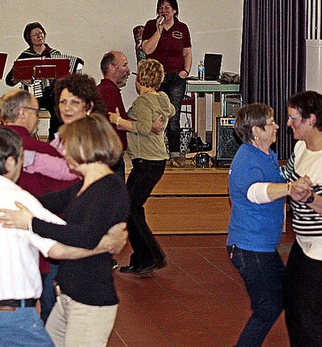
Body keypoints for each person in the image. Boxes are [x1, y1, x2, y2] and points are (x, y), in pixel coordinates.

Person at [0, 126, 127, 346]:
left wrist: (32, 220)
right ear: (10, 163)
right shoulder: (17, 200)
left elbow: (50, 206)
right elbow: (58, 249)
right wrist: (107, 244)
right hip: (8, 316)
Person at [0, 114, 130, 346]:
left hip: (90, 301)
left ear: (83, 145)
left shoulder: (109, 188)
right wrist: (3, 194)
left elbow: (87, 237)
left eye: (67, 146)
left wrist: (31, 223)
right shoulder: (84, 185)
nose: (64, 153)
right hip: (69, 296)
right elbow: (44, 202)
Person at [0, 90, 79, 323]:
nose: (38, 117)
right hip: (39, 249)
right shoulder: (43, 150)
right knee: (49, 313)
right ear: (23, 113)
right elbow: (71, 195)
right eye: (36, 111)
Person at [227, 103, 295, 346]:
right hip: (250, 248)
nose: (277, 126)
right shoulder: (246, 159)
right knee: (268, 307)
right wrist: (290, 189)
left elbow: (276, 179)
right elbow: (255, 192)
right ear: (256, 131)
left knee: (282, 297)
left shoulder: (265, 155)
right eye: (271, 123)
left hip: (261, 247)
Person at [281, 91, 322, 345]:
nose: (288, 123)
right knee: (294, 307)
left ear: (311, 120)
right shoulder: (301, 147)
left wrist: (308, 198)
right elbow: (285, 176)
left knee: (311, 314)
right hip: (304, 244)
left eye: (293, 118)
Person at [110, 58, 174, 275]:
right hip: (155, 161)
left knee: (129, 208)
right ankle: (143, 257)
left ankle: (151, 256)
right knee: (134, 208)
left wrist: (118, 120)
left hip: (146, 162)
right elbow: (171, 111)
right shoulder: (162, 98)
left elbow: (145, 127)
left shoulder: (143, 103)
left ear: (141, 80)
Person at [142, 0, 192, 167]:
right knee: (155, 115)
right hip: (155, 78)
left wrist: (185, 71)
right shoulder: (150, 25)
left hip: (176, 77)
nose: (163, 11)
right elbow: (147, 50)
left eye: (167, 8)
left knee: (173, 116)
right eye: (161, 8)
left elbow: (187, 52)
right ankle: (155, 153)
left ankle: (175, 154)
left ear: (175, 10)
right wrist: (159, 30)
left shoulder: (182, 28)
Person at [5, 22, 63, 141]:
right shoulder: (25, 56)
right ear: (29, 39)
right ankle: (28, 140)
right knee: (25, 112)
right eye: (35, 35)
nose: (39, 36)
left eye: (41, 33)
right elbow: (9, 80)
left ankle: (52, 141)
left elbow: (64, 74)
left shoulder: (55, 54)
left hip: (51, 94)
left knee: (58, 111)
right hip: (32, 95)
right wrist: (20, 78)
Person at [97, 51, 131, 180]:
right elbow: (119, 124)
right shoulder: (108, 92)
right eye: (124, 65)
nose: (128, 70)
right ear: (111, 67)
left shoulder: (104, 90)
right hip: (111, 159)